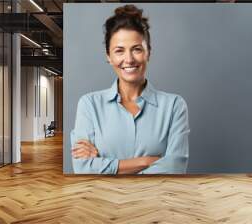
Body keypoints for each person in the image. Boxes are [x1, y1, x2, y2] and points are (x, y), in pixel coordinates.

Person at [70, 5, 190, 174]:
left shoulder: (174, 106)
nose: (129, 59)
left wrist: (106, 166)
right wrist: (145, 162)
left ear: (148, 53)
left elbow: (175, 167)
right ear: (108, 57)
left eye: (137, 49)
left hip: (157, 199)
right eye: (119, 51)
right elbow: (82, 168)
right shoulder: (89, 105)